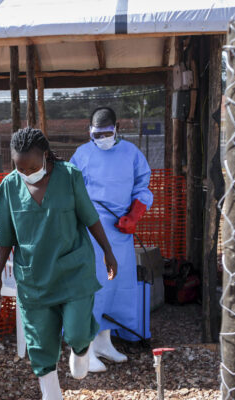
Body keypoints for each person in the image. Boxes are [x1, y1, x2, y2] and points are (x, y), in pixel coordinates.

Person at [0, 127, 117, 400]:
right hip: (33, 278)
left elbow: (90, 217)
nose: (25, 172)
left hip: (73, 271)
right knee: (40, 346)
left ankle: (82, 347)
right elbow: (4, 236)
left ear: (46, 156)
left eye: (32, 167)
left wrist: (108, 251)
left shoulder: (69, 176)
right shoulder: (9, 187)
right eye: (19, 167)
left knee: (75, 331)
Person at [70, 106, 153, 373]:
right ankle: (87, 349)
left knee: (118, 285)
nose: (102, 138)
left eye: (107, 133)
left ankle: (105, 342)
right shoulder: (82, 155)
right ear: (89, 131)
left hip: (121, 228)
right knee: (94, 286)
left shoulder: (131, 153)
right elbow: (70, 190)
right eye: (97, 134)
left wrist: (136, 212)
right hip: (92, 229)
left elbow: (143, 184)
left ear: (117, 128)